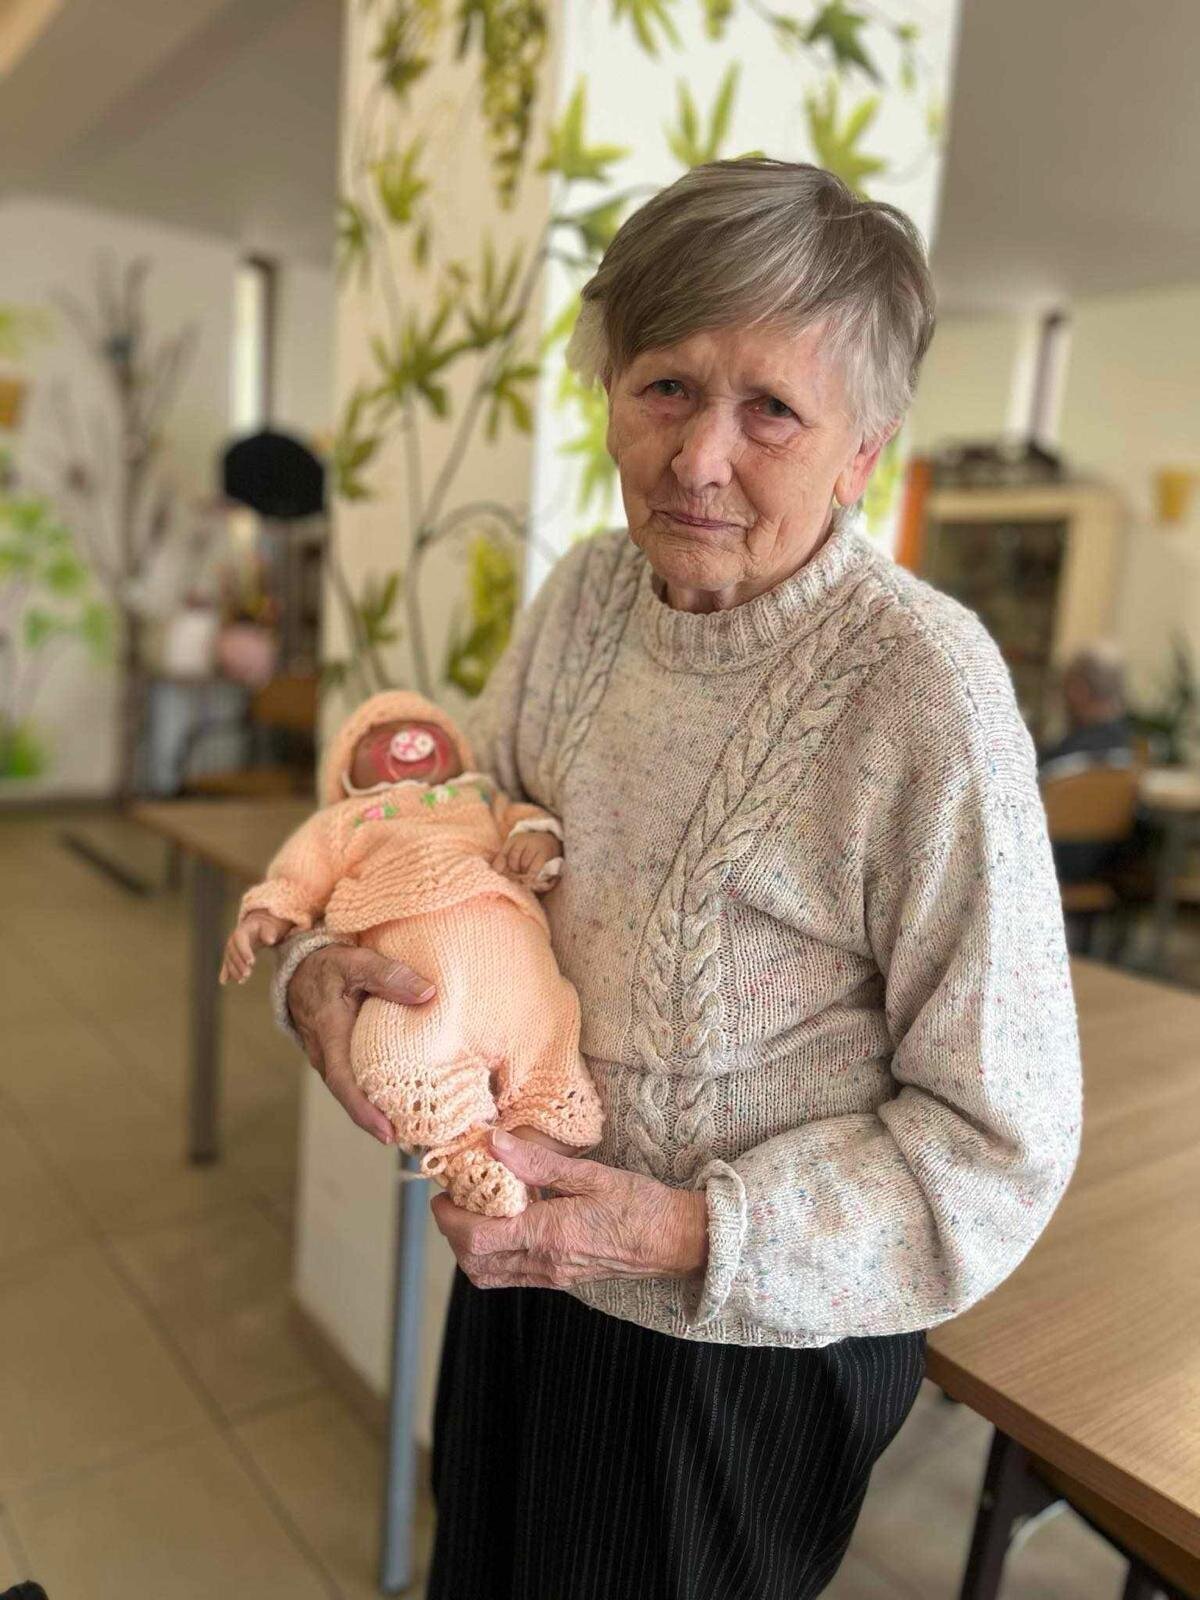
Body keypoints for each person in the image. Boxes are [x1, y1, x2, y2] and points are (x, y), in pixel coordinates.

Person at [273, 159, 1082, 1600]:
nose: (699, 459)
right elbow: (449, 838)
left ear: (863, 453)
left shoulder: (925, 688)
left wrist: (690, 1231)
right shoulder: (587, 595)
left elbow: (998, 1143)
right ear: (611, 393)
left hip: (734, 1349)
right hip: (528, 1266)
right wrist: (320, 964)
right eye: (666, 386)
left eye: (771, 409)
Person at [1039, 642, 1133, 775]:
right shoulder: (1125, 755)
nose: (1063, 696)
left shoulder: (1064, 761)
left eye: (1065, 685)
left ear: (1079, 689)